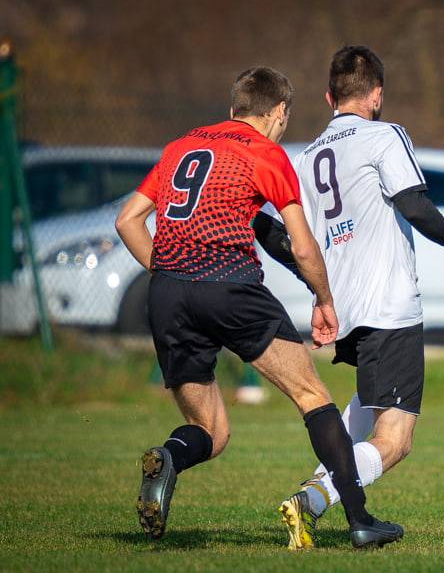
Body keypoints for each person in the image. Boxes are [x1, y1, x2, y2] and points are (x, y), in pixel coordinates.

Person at [114, 66, 402, 549]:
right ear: (279, 113)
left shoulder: (179, 147)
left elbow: (128, 221)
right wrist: (325, 299)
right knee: (313, 397)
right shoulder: (265, 153)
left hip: (167, 293)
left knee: (210, 430)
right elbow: (303, 246)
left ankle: (168, 456)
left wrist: (169, 274)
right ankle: (359, 520)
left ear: (234, 109)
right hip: (230, 287)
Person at [253, 45, 444, 549]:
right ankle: (312, 500)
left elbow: (276, 233)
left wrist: (314, 285)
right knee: (395, 440)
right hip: (389, 306)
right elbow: (414, 204)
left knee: (365, 405)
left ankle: (312, 496)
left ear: (329, 96)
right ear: (378, 94)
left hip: (343, 310)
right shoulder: (385, 135)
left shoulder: (309, 154)